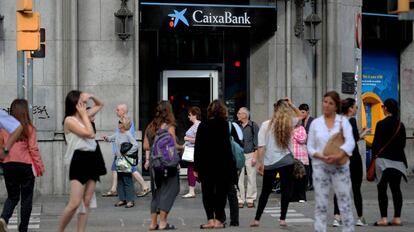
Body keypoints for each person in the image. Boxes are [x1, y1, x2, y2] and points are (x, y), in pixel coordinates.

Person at [250, 98, 303, 228]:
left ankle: (257, 219)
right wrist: (291, 104)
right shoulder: (289, 122)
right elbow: (301, 115)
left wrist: (261, 163)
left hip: (270, 162)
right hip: (287, 161)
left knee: (265, 192)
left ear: (274, 110)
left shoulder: (265, 125)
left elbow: (261, 146)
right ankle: (282, 219)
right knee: (286, 190)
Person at [307, 91, 355, 232]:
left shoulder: (343, 121)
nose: (326, 105)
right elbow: (310, 146)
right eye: (325, 101)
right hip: (321, 165)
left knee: (344, 200)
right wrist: (320, 156)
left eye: (330, 103)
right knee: (321, 203)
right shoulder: (316, 123)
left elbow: (350, 142)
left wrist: (339, 155)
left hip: (340, 165)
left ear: (336, 106)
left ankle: (348, 229)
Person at [58, 90, 104, 232]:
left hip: (92, 157)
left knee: (87, 201)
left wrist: (90, 95)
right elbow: (89, 134)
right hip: (77, 159)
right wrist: (85, 115)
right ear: (74, 104)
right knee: (75, 203)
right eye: (81, 103)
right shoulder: (69, 120)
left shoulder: (84, 116)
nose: (84, 105)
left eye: (84, 103)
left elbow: (100, 104)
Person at [194, 99, 239, 229]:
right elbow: (227, 148)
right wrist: (232, 167)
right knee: (221, 193)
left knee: (207, 193)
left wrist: (196, 167)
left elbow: (198, 147)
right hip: (222, 165)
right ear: (222, 111)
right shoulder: (225, 125)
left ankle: (210, 220)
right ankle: (219, 220)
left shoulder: (203, 125)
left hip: (206, 165)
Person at [0, 99, 45, 232]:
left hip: (8, 165)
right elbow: (33, 149)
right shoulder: (29, 128)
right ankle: (23, 229)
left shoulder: (4, 129)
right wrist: (39, 166)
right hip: (25, 165)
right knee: (26, 199)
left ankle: (3, 219)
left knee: (12, 196)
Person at [143, 100, 182, 231]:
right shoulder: (169, 126)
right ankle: (163, 222)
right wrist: (183, 147)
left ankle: (153, 224)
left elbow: (145, 146)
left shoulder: (150, 126)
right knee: (171, 189)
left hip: (155, 165)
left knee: (157, 192)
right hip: (168, 164)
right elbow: (173, 145)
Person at [332, 98, 369, 227]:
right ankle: (360, 217)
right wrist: (363, 133)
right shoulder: (351, 121)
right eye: (355, 107)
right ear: (350, 109)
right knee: (356, 188)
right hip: (353, 159)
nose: (356, 109)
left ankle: (337, 217)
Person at [372, 98, 407, 227]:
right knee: (396, 189)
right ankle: (397, 218)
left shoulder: (381, 124)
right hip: (398, 162)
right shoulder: (400, 125)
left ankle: (384, 218)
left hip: (383, 162)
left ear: (386, 108)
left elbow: (376, 145)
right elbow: (402, 144)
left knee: (382, 190)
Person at [102, 104, 150, 198]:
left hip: (123, 154)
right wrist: (108, 138)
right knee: (116, 169)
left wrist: (125, 153)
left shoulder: (126, 123)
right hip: (119, 153)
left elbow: (130, 141)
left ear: (123, 111)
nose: (116, 111)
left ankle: (144, 187)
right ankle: (114, 189)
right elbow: (116, 136)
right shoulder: (121, 122)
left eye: (118, 109)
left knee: (130, 169)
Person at [104, 116, 138, 208]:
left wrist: (127, 153)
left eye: (120, 122)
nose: (118, 123)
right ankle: (122, 199)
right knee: (120, 180)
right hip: (118, 160)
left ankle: (130, 200)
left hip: (125, 160)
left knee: (127, 180)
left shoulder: (128, 134)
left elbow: (135, 145)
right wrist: (106, 138)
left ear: (123, 124)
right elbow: (111, 138)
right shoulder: (118, 133)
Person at [236, 107, 259, 209]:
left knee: (251, 177)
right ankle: (240, 199)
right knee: (238, 178)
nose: (238, 115)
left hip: (250, 154)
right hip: (239, 155)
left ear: (245, 115)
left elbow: (257, 143)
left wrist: (255, 157)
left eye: (239, 113)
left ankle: (250, 198)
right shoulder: (236, 126)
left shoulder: (253, 126)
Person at [182, 106, 201, 198]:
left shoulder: (197, 125)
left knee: (192, 170)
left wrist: (187, 138)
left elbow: (199, 140)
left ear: (195, 115)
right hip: (191, 151)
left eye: (190, 115)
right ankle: (191, 190)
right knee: (192, 170)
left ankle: (191, 191)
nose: (188, 116)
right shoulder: (195, 125)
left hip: (194, 151)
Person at [290, 122, 308, 203]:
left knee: (301, 177)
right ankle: (293, 196)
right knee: (291, 177)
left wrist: (293, 133)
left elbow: (302, 139)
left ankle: (302, 197)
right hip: (290, 156)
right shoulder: (287, 128)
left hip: (301, 156)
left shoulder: (301, 128)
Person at [299, 103, 314, 191]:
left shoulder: (312, 121)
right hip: (304, 148)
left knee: (311, 167)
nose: (301, 114)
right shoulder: (301, 121)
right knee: (307, 167)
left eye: (303, 112)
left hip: (311, 147)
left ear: (308, 112)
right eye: (300, 112)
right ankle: (307, 183)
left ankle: (312, 184)